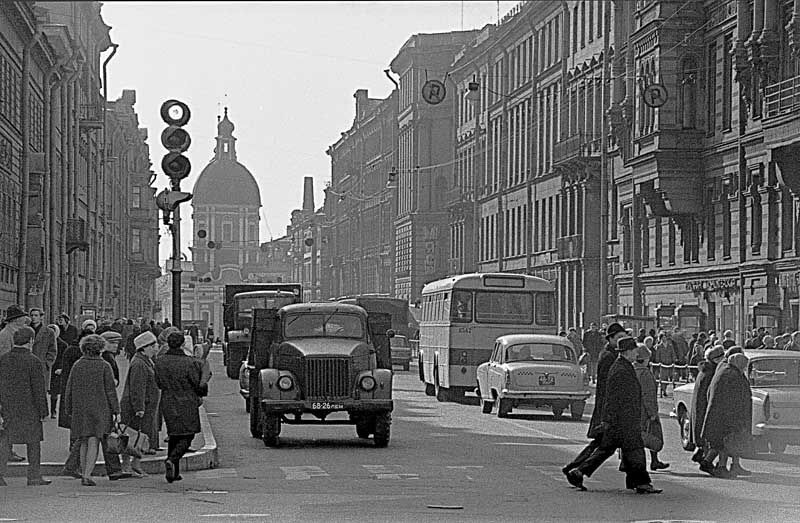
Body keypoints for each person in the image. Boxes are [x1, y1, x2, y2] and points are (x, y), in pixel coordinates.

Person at [564, 337, 661, 494]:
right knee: (634, 451)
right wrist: (610, 420)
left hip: (621, 420)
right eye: (634, 350)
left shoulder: (623, 366)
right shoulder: (621, 370)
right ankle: (642, 483)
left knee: (607, 450)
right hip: (623, 421)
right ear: (628, 351)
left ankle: (579, 471)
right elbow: (615, 398)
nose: (637, 352)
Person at [562, 323, 628, 477]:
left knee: (600, 444)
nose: (621, 340)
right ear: (610, 338)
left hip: (607, 408)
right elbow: (609, 386)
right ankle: (578, 471)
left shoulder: (611, 355)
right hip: (608, 409)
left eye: (623, 337)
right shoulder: (609, 357)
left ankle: (573, 467)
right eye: (618, 337)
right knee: (605, 446)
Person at [62, 334, 121, 486]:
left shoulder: (77, 365)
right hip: (100, 409)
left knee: (83, 440)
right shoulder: (104, 366)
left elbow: (69, 388)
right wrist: (116, 410)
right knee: (94, 440)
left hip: (81, 408)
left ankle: (83, 471)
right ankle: (87, 475)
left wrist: (68, 408)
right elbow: (110, 391)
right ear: (100, 349)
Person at [0, 326, 51, 486]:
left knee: (5, 441)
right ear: (30, 341)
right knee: (33, 443)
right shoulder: (33, 361)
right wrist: (43, 410)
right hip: (30, 408)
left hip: (7, 406)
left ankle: (0, 475)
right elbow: (38, 388)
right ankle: (34, 476)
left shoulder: (3, 359)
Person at [155, 332, 208, 483]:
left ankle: (173, 473)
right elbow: (197, 382)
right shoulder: (189, 362)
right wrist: (201, 392)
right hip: (187, 401)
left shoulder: (160, 361)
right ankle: (172, 459)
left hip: (168, 400)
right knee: (188, 434)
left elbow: (158, 382)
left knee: (174, 434)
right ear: (183, 344)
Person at [699, 351, 752, 478]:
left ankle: (715, 464)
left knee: (720, 442)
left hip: (719, 413)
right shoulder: (732, 375)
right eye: (744, 366)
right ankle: (719, 466)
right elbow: (735, 398)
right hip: (726, 415)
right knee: (724, 442)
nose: (744, 369)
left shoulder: (725, 371)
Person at [120, 331, 160, 478]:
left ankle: (136, 464)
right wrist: (139, 408)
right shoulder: (139, 363)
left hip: (146, 406)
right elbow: (138, 387)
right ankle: (127, 465)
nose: (156, 347)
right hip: (138, 408)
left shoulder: (146, 361)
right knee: (133, 436)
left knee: (141, 437)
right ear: (144, 347)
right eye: (153, 345)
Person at [633, 344, 669, 471]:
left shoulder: (631, 370)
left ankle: (654, 461)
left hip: (634, 410)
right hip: (644, 411)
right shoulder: (645, 373)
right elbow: (648, 395)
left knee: (636, 436)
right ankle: (652, 461)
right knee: (651, 435)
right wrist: (653, 413)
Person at [689, 345, 724, 463]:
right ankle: (704, 457)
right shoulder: (712, 372)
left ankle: (700, 452)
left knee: (702, 431)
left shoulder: (705, 369)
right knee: (708, 432)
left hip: (700, 405)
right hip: (704, 406)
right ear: (716, 359)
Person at [29, 308, 58, 395]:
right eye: (32, 315)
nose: (33, 317)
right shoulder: (25, 330)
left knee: (40, 392)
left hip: (41, 364)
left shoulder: (49, 332)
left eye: (36, 315)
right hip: (27, 363)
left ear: (41, 317)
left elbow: (53, 350)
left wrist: (47, 363)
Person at [48, 324, 68, 419]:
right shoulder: (44, 343)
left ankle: (53, 410)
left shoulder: (63, 345)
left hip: (56, 370)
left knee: (54, 392)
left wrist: (61, 368)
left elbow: (65, 359)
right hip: (46, 368)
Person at [654, 332, 676, 397]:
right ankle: (663, 391)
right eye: (662, 337)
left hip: (670, 364)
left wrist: (674, 361)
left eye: (665, 337)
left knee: (669, 378)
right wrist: (658, 362)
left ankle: (667, 389)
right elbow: (657, 356)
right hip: (663, 365)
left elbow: (673, 354)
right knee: (663, 378)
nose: (664, 338)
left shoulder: (670, 346)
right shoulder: (659, 347)